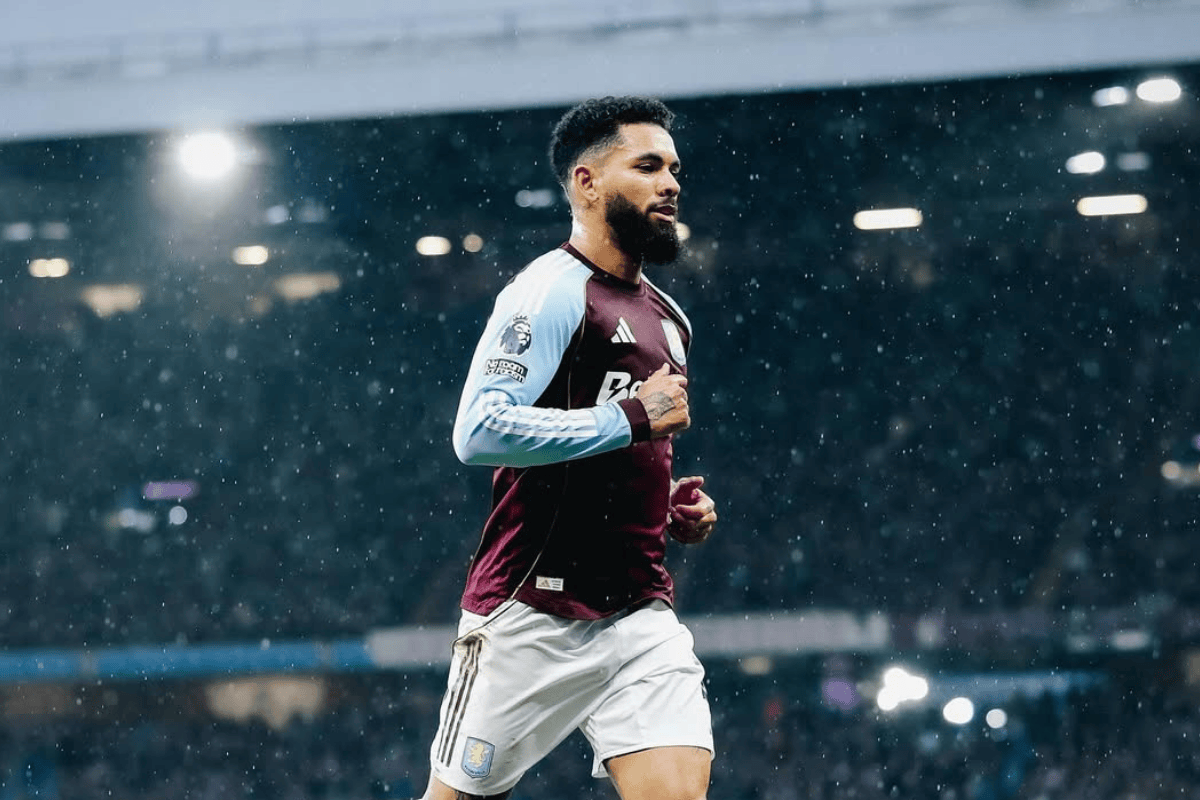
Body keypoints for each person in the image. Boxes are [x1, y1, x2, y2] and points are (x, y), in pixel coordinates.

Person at [422, 96, 719, 800]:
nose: (669, 183)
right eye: (647, 167)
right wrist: (629, 418)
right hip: (532, 610)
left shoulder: (669, 318)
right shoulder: (548, 292)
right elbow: (479, 431)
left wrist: (666, 507)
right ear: (586, 182)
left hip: (639, 612)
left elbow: (629, 438)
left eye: (674, 169)